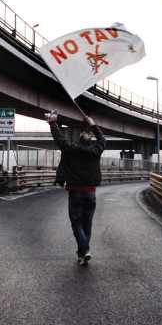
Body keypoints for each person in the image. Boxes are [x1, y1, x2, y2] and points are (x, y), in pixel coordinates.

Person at [47, 110, 106, 266]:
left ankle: (84, 249)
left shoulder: (70, 150)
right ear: (90, 141)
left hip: (75, 193)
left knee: (76, 223)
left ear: (79, 140)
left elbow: (59, 139)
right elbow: (103, 140)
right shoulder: (95, 151)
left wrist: (53, 122)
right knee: (87, 224)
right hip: (91, 194)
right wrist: (93, 125)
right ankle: (82, 254)